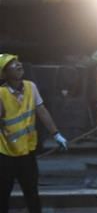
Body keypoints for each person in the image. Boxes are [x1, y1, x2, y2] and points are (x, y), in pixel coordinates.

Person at [0, 53, 67, 213]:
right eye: (12, 64)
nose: (18, 65)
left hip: (27, 152)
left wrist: (56, 134)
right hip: (5, 154)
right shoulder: (1, 93)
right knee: (2, 195)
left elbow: (41, 111)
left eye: (17, 62)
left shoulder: (31, 87)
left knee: (32, 193)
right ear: (4, 73)